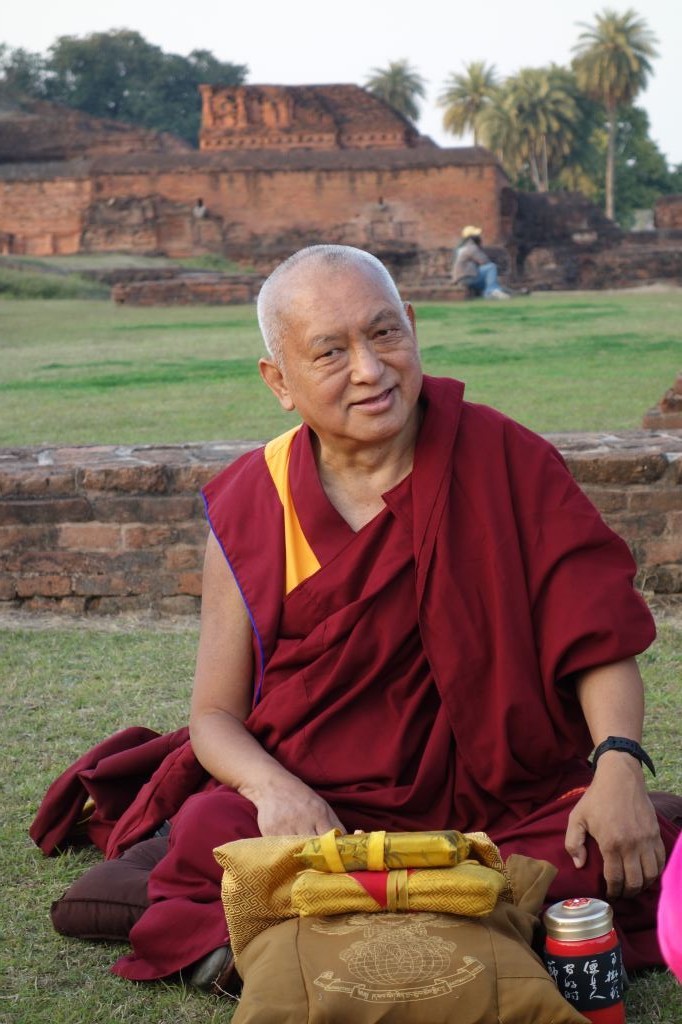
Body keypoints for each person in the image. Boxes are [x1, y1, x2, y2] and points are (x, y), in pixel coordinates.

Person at [34, 245, 679, 991]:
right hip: (325, 807)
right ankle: (468, 927)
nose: (370, 370)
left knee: (600, 848)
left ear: (412, 325)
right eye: (330, 352)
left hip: (500, 801)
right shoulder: (254, 502)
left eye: (384, 335)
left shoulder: (507, 459)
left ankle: (308, 942)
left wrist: (620, 762)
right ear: (279, 380)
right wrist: (277, 792)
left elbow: (594, 639)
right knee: (214, 837)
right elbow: (214, 715)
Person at [451, 225, 509, 299]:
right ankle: (490, 292)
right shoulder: (471, 247)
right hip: (468, 277)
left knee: (491, 282)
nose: (479, 237)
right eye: (477, 235)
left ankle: (494, 291)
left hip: (460, 278)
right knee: (491, 267)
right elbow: (484, 261)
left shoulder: (460, 248)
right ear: (472, 237)